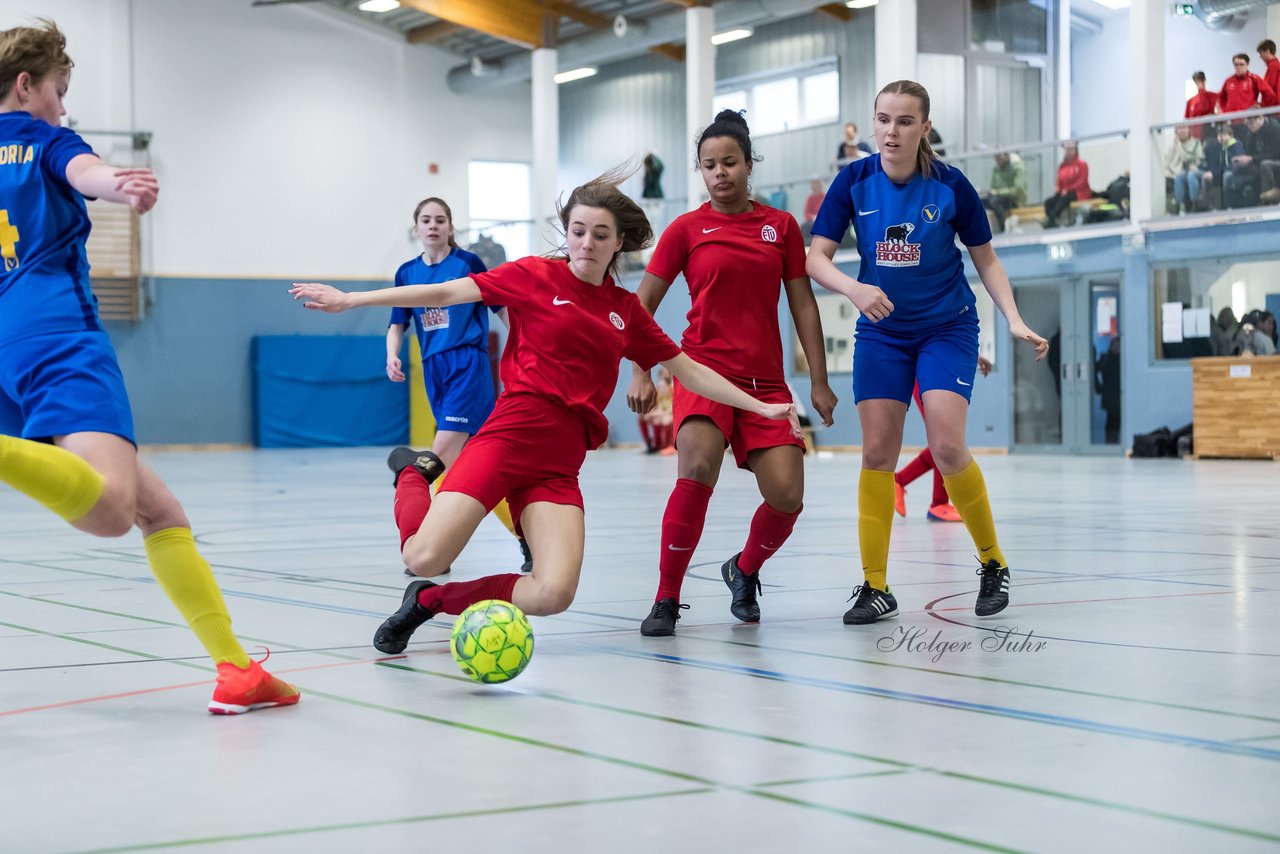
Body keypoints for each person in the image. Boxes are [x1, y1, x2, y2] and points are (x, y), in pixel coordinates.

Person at [289, 169, 801, 655]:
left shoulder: (626, 311)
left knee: (553, 593)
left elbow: (689, 370)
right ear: (567, 232)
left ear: (618, 242)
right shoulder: (533, 276)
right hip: (507, 439)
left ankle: (428, 601)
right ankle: (412, 476)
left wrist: (761, 405)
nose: (586, 243)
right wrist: (351, 299)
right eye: (578, 231)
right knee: (424, 556)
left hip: (559, 465)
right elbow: (445, 292)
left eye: (600, 234)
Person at [0, 19, 298, 714]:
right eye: (59, 91)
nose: (63, 107)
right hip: (58, 334)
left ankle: (235, 669)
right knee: (109, 509)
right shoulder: (44, 138)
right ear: (26, 85)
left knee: (159, 510)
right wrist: (120, 187)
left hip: (6, 344)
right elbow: (85, 171)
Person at [806, 79, 1049, 624]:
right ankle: (874, 586)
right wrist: (854, 288)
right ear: (873, 123)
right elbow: (814, 259)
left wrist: (1011, 319)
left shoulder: (950, 186)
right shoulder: (854, 181)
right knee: (876, 454)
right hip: (882, 330)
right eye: (883, 119)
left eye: (904, 121)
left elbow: (986, 260)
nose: (891, 131)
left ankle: (992, 563)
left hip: (947, 327)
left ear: (924, 128)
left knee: (945, 443)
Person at [625, 109, 837, 637]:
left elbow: (804, 306)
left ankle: (743, 571)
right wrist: (642, 370)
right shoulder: (685, 229)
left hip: (766, 386)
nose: (719, 173)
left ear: (748, 164)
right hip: (703, 374)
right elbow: (641, 305)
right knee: (695, 469)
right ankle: (667, 599)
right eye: (708, 165)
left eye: (729, 163)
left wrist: (818, 380)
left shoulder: (781, 227)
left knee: (787, 496)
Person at [384, 197, 530, 575]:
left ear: (450, 228)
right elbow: (397, 322)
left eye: (441, 220)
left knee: (440, 455)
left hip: (468, 363)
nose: (433, 226)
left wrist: (527, 349)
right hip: (434, 370)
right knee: (479, 462)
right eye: (426, 220)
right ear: (416, 228)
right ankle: (526, 537)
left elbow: (502, 309)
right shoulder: (406, 273)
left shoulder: (467, 264)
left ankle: (427, 541)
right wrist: (392, 355)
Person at [894, 356, 992, 522]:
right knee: (943, 440)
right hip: (925, 374)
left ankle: (900, 481)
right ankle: (938, 503)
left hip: (936, 373)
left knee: (944, 442)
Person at [1043, 142, 1091, 227]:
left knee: (1065, 198)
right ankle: (1053, 221)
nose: (1068, 152)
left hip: (1079, 192)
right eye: (1066, 149)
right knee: (1048, 202)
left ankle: (1051, 219)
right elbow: (1060, 182)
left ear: (1075, 150)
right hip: (1065, 192)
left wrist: (1068, 189)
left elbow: (1082, 182)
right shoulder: (1062, 166)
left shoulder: (1082, 165)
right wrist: (1059, 191)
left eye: (1070, 149)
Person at [1218, 54, 1275, 121]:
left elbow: (1270, 95)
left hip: (1248, 120)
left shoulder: (1254, 78)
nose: (1238, 67)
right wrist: (1224, 111)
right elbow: (1221, 97)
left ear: (1247, 65)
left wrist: (1260, 107)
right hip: (1231, 120)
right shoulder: (1229, 81)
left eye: (1241, 64)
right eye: (1236, 64)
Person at [981, 151, 1026, 232]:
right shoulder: (996, 169)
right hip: (998, 197)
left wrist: (998, 192)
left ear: (1006, 155)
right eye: (996, 156)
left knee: (995, 201)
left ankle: (1003, 228)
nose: (997, 159)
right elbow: (994, 186)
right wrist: (993, 193)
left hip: (1014, 199)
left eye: (999, 156)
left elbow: (1018, 190)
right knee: (981, 202)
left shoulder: (1016, 167)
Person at [1164, 124, 1205, 214]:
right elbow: (1168, 163)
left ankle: (1195, 205)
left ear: (1189, 130)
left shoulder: (1196, 143)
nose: (1182, 131)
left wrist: (1196, 166)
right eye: (1179, 128)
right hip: (1177, 172)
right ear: (1176, 132)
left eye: (1184, 128)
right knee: (1179, 177)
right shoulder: (1173, 146)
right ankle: (1179, 206)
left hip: (1194, 169)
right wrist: (1176, 145)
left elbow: (1199, 158)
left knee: (1190, 175)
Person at [1094, 337, 1121, 444]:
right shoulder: (1105, 358)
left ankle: (1115, 442)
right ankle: (1110, 443)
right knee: (1112, 421)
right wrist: (1099, 388)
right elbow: (1094, 371)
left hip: (1119, 394)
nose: (1116, 347)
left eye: (1118, 345)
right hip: (1110, 395)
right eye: (1114, 345)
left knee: (1116, 421)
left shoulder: (1123, 360)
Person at [1184, 71, 1218, 138]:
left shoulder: (1213, 96)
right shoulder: (1190, 102)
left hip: (1209, 134)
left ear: (1204, 81)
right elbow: (1186, 120)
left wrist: (1201, 91)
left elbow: (1206, 109)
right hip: (1194, 136)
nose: (1199, 83)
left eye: (1201, 80)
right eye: (1197, 81)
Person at [1259, 40, 1280, 108]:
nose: (1260, 57)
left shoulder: (1273, 66)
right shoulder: (1276, 65)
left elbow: (1268, 89)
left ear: (1268, 51)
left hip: (1273, 108)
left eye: (1261, 53)